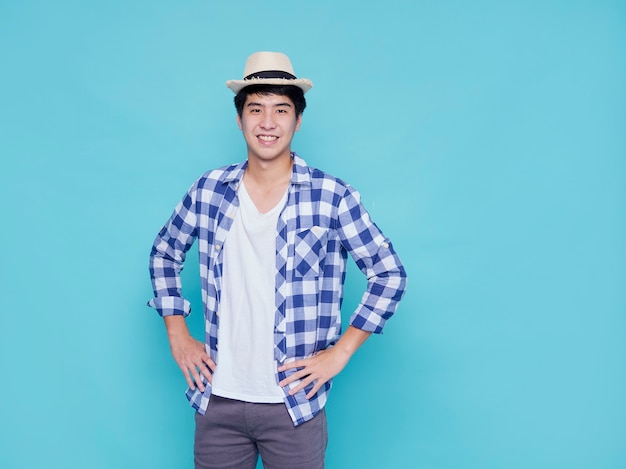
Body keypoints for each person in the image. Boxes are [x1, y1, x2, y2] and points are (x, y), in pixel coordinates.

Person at [148, 51, 407, 469]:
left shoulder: (331, 196)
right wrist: (177, 332)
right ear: (239, 118)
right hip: (217, 401)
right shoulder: (209, 190)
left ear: (297, 120)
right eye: (256, 109)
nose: (268, 122)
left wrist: (340, 353)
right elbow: (165, 252)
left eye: (281, 109)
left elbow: (388, 273)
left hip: (294, 405)